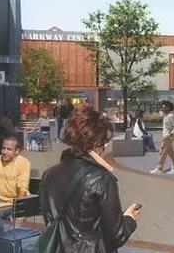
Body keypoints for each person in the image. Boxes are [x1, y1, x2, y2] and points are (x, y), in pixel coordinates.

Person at [40, 107, 140, 252]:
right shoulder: (102, 178)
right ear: (96, 143)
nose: (105, 147)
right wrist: (129, 219)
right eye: (104, 142)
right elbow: (117, 235)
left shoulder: (49, 174)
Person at [0, 134, 31, 253]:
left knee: (15, 229)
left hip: (20, 201)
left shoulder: (23, 163)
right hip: (1, 202)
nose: (5, 152)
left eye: (9, 149)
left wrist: (16, 210)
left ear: (17, 151)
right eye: (3, 148)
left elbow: (23, 188)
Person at [150, 101, 174, 175]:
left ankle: (159, 168)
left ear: (169, 107)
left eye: (165, 106)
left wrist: (170, 135)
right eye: (162, 106)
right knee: (170, 152)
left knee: (162, 152)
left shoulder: (171, 116)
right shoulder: (166, 115)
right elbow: (161, 114)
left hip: (168, 137)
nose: (163, 108)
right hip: (165, 136)